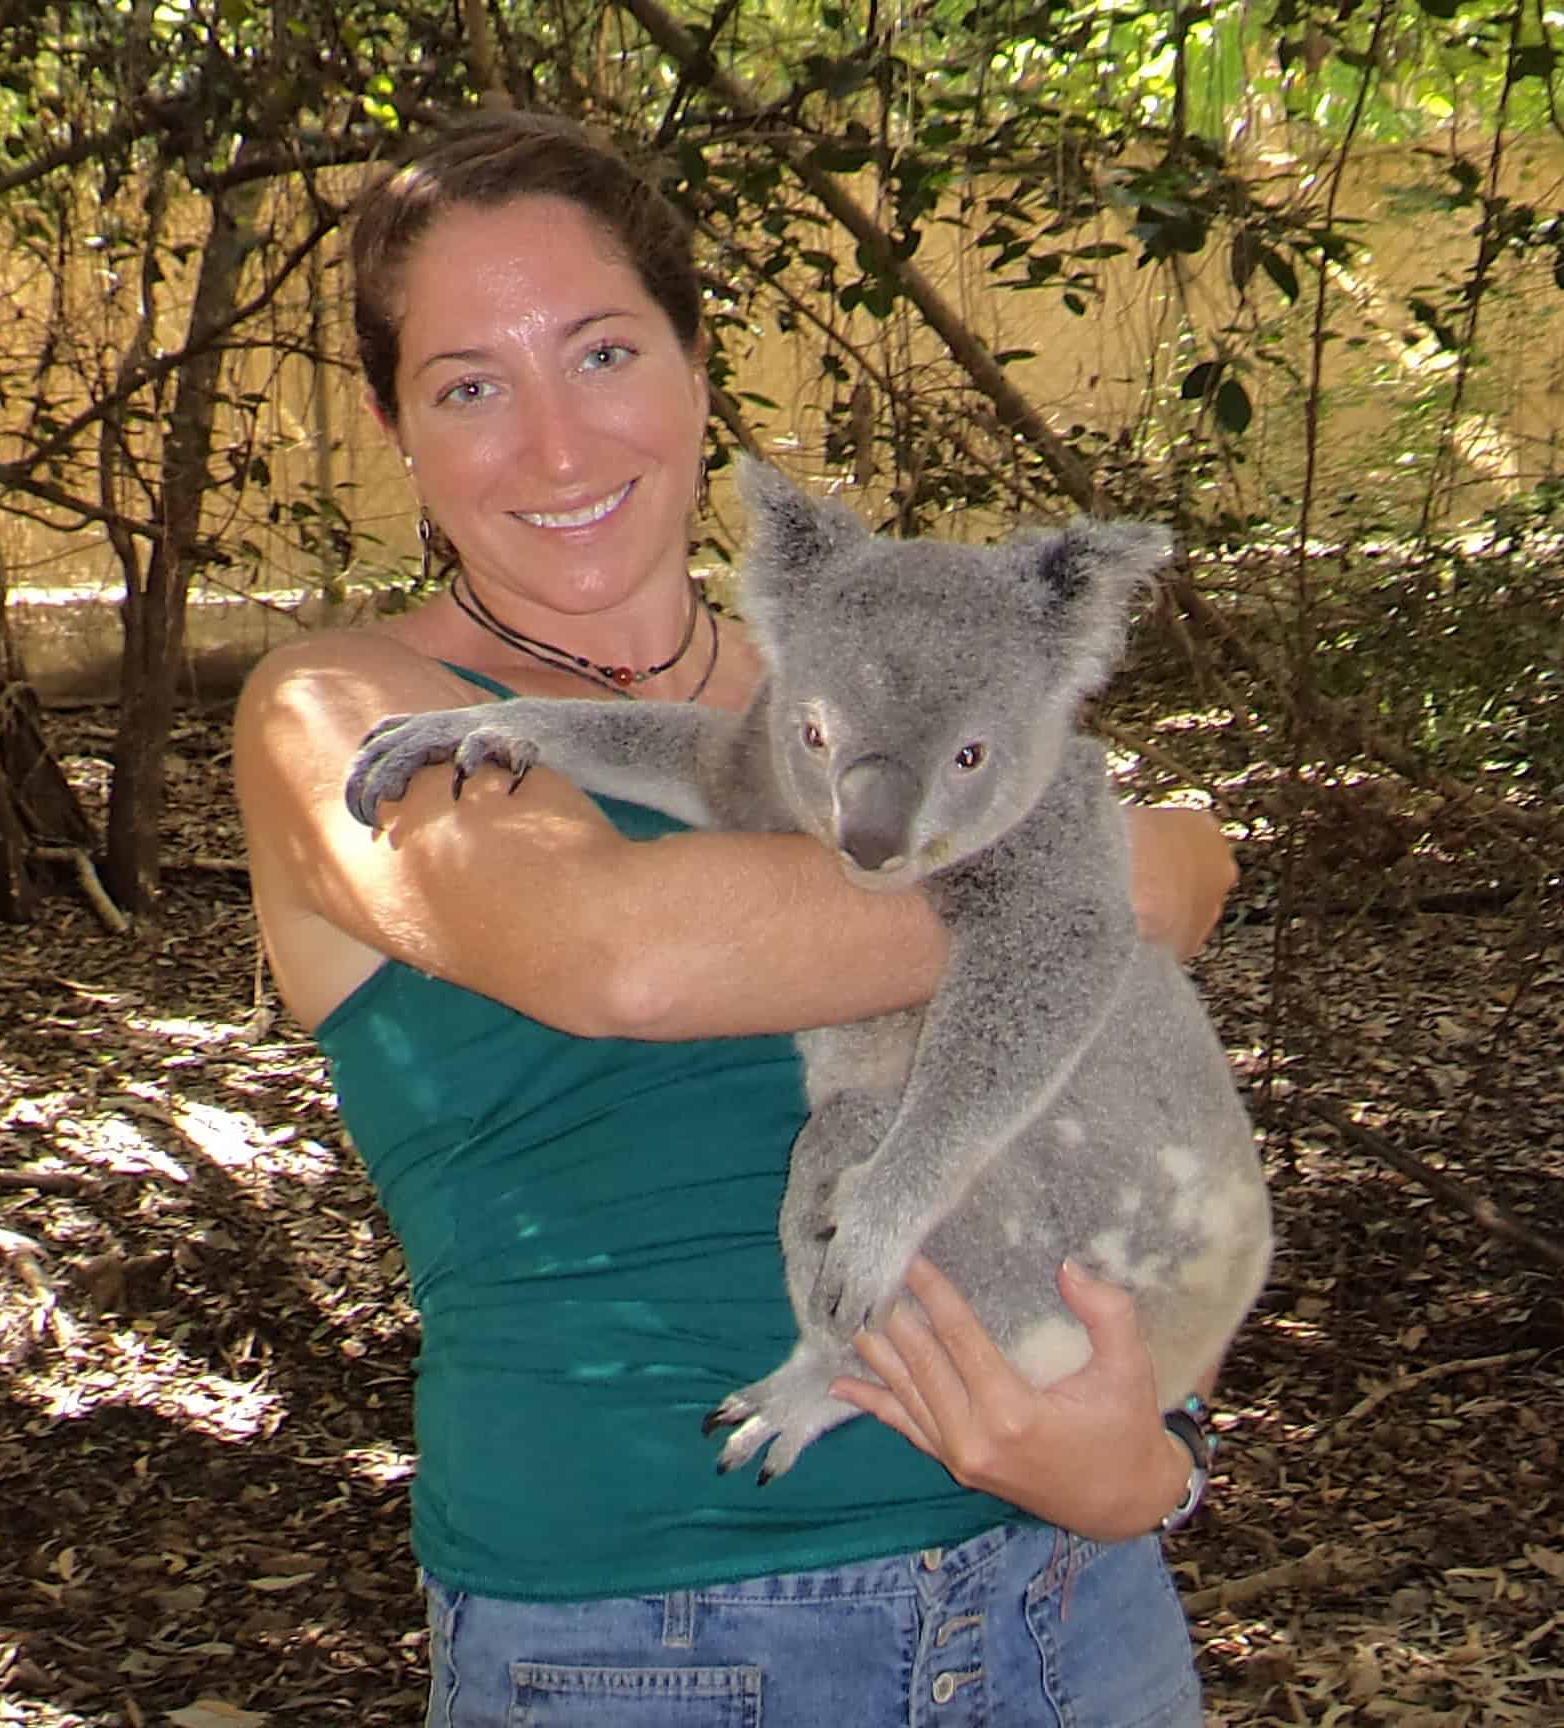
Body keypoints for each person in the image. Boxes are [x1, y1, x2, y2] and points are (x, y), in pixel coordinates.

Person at [234, 111, 1243, 1726]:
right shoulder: (347, 705)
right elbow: (623, 950)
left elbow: (1128, 1103)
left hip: (1076, 1603)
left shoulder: (875, 697)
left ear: (701, 369)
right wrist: (1097, 882)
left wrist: (1153, 1454)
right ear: (391, 426)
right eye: (471, 386)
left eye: (605, 353)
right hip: (649, 1643)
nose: (557, 448)